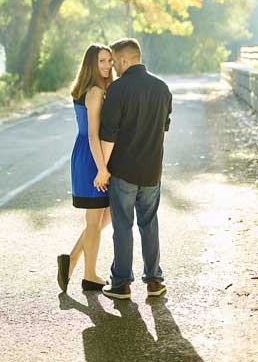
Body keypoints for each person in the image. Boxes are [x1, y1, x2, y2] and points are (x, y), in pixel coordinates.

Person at [98, 38, 172, 300]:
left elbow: (109, 136)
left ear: (126, 59)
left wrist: (103, 169)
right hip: (152, 172)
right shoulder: (162, 88)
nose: (114, 67)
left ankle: (121, 284)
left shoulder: (117, 90)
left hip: (123, 172)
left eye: (116, 61)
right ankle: (154, 281)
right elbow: (162, 131)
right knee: (149, 224)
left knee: (123, 226)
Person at [57, 44, 114, 293]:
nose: (107, 66)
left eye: (109, 61)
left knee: (105, 215)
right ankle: (89, 275)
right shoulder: (93, 91)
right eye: (102, 61)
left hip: (90, 154)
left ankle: (71, 260)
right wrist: (101, 169)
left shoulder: (92, 88)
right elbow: (92, 135)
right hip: (91, 157)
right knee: (94, 220)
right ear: (91, 64)